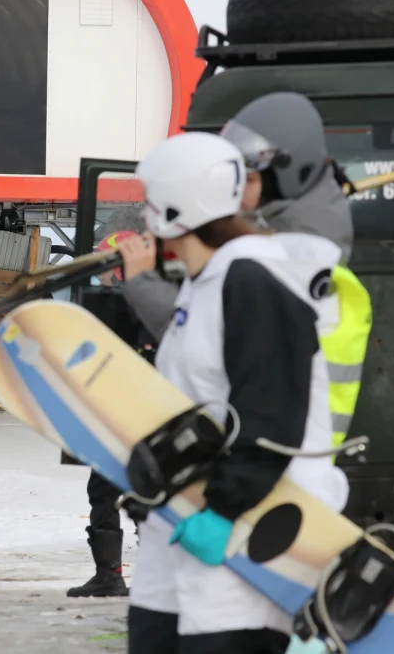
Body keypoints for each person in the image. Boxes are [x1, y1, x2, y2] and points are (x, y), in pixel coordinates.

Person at [126, 132, 349, 653]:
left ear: (174, 204)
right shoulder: (204, 284)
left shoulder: (253, 283)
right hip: (187, 521)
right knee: (154, 636)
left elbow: (271, 411)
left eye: (148, 199)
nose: (142, 212)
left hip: (247, 529)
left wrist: (223, 510)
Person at [118, 92, 370, 447]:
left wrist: (143, 280)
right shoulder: (281, 230)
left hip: (281, 453)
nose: (234, 194)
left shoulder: (294, 252)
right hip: (270, 441)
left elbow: (196, 336)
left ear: (284, 176)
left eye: (247, 181)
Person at [65, 229, 142, 599]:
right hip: (115, 416)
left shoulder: (128, 307)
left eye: (105, 266)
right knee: (111, 492)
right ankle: (111, 574)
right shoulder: (125, 304)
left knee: (124, 493)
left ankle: (112, 574)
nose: (101, 275)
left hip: (130, 418)